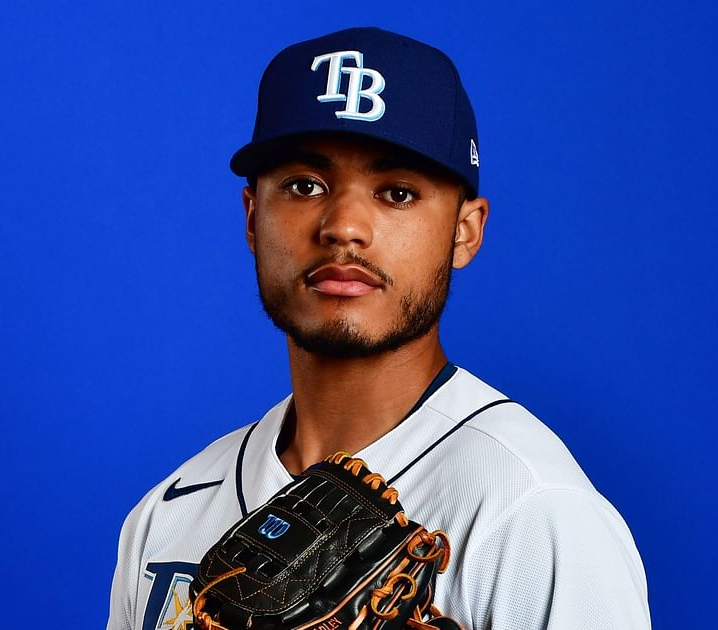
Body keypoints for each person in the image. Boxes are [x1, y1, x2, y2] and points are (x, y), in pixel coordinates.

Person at [107, 27, 651, 630]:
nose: (344, 226)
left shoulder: (533, 511)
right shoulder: (167, 515)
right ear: (253, 217)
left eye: (397, 192)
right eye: (304, 186)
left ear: (464, 231)